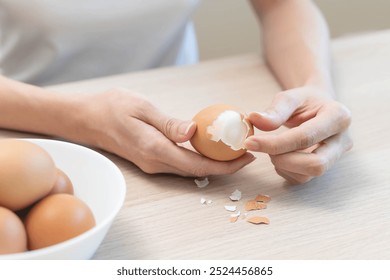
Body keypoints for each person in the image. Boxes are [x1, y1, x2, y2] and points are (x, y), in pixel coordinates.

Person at [0, 0, 352, 183]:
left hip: (179, 99)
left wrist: (314, 87)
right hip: (25, 123)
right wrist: (78, 119)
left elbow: (280, 5)